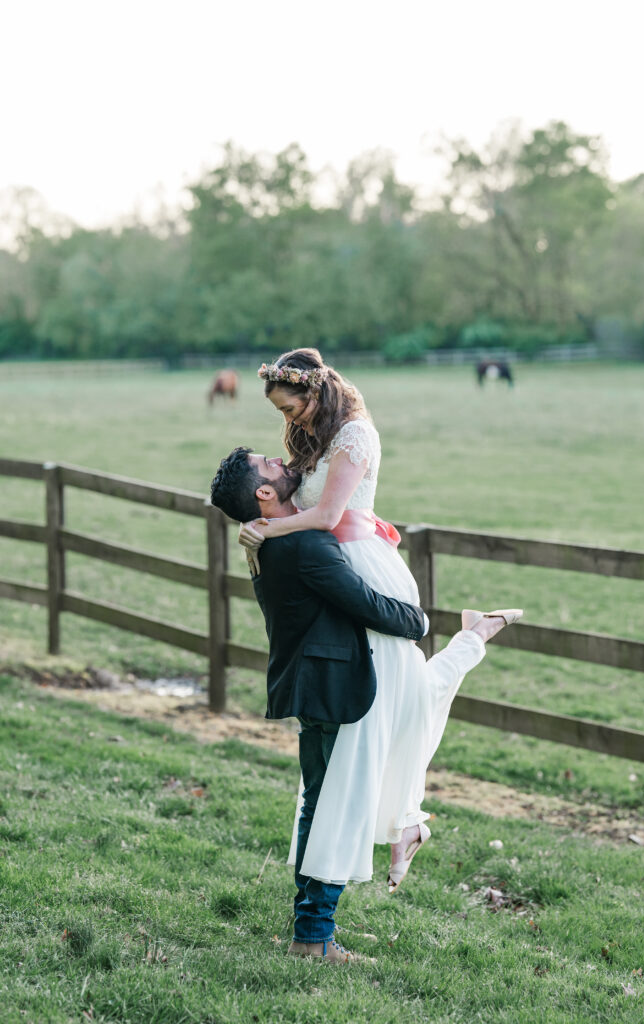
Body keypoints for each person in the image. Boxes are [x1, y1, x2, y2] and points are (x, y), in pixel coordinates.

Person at [211, 446, 518, 963]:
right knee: (341, 812)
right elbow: (368, 605)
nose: (283, 465)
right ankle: (313, 938)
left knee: (319, 806)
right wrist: (419, 623)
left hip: (316, 688)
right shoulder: (304, 545)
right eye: (270, 465)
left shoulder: (267, 544)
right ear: (264, 494)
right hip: (337, 691)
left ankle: (313, 927)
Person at [238, 348, 522, 898]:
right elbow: (288, 500)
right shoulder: (311, 437)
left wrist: (263, 531)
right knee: (398, 700)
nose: (288, 421)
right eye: (281, 411)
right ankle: (404, 823)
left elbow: (325, 516)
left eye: (292, 408)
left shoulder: (353, 436)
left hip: (360, 565)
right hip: (330, 565)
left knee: (395, 703)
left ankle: (402, 822)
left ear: (316, 392)